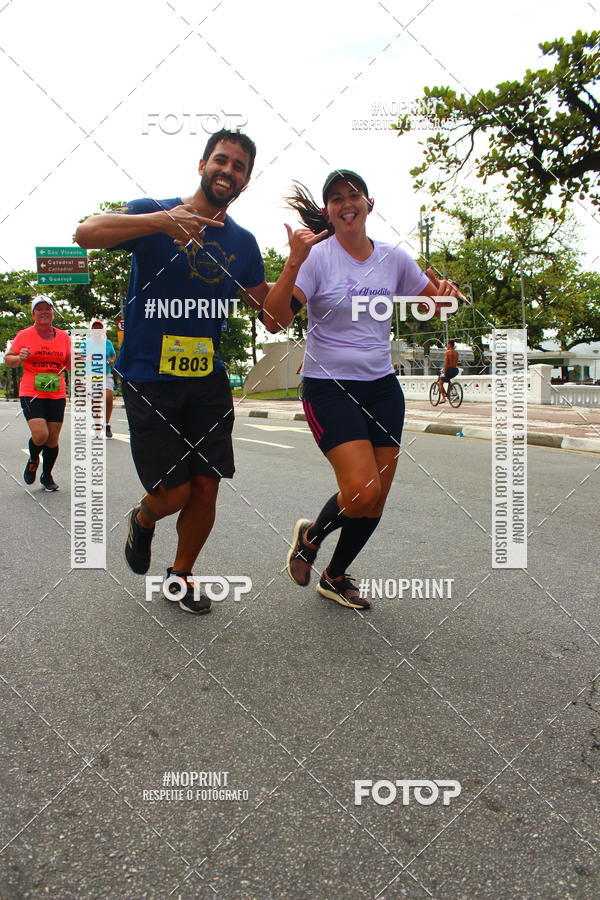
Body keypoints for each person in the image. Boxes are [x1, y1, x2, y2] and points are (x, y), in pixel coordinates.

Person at [75, 129, 269, 614]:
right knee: (175, 492)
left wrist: (304, 262)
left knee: (207, 485)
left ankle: (180, 576)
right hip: (148, 373)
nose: (228, 170)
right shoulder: (154, 210)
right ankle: (144, 517)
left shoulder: (243, 243)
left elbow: (273, 313)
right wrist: (162, 223)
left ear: (246, 179)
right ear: (202, 164)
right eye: (221, 161)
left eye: (239, 166)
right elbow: (85, 233)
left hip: (206, 378)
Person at [262, 170, 462, 609]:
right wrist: (293, 260)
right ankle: (310, 537)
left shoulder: (393, 258)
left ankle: (334, 576)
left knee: (374, 501)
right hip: (328, 388)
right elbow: (274, 320)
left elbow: (433, 307)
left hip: (382, 388)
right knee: (361, 492)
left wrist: (446, 295)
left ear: (369, 204)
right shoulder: (317, 258)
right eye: (335, 197)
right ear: (328, 212)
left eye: (353, 195)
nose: (345, 202)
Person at [4, 297, 71, 491]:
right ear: (33, 314)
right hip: (32, 391)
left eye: (47, 309)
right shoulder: (24, 335)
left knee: (52, 439)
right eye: (39, 309)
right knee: (41, 434)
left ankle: (47, 475)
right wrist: (19, 357)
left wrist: (80, 360)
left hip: (56, 392)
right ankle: (34, 459)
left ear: (53, 313)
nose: (44, 312)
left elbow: (68, 363)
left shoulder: (63, 337)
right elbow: (9, 359)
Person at [82, 321, 116, 437]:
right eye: (95, 328)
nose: (97, 330)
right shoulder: (86, 343)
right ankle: (97, 425)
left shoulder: (107, 343)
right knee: (96, 401)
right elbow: (80, 358)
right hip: (92, 375)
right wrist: (89, 358)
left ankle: (106, 424)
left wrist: (111, 360)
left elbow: (112, 354)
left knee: (108, 397)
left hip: (105, 374)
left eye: (99, 328)